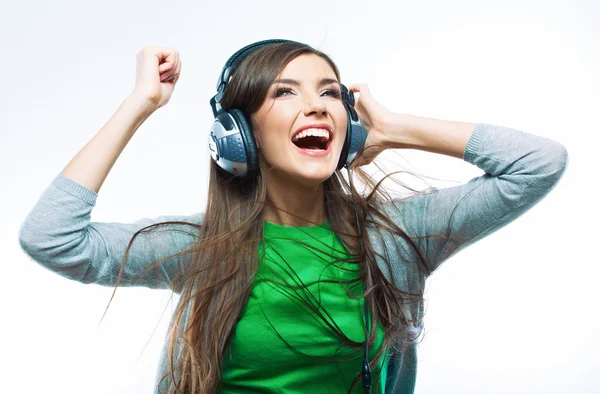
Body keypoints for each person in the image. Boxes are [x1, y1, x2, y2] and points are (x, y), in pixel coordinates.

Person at [18, 39, 569, 394]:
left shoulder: (399, 237)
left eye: (330, 93)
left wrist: (399, 127)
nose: (318, 105)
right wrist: (140, 103)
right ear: (238, 134)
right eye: (285, 92)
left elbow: (537, 165)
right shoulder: (200, 246)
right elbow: (52, 238)